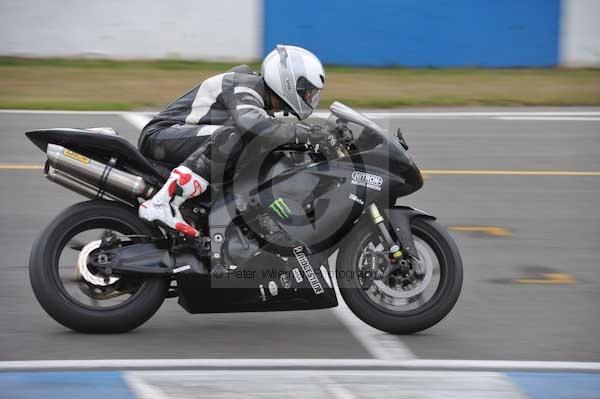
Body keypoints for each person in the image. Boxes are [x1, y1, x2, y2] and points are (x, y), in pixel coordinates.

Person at [138, 45, 333, 237]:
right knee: (236, 135)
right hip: (162, 135)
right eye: (306, 90)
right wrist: (303, 133)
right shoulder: (244, 83)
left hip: (181, 138)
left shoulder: (257, 94)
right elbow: (250, 123)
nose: (309, 97)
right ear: (289, 81)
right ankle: (162, 203)